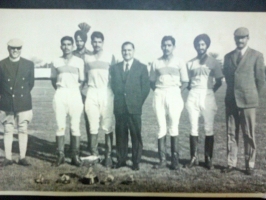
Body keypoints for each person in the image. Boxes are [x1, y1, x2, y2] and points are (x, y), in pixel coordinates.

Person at [222, 27, 265, 175]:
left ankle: (250, 164)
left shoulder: (257, 55)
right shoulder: (228, 56)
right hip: (231, 100)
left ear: (248, 38)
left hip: (248, 101)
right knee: (231, 133)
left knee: (249, 134)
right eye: (237, 38)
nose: (240, 40)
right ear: (234, 39)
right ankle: (231, 163)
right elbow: (227, 77)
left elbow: (260, 80)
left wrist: (252, 96)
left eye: (243, 37)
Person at [150, 36, 189, 170]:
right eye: (164, 45)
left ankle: (175, 161)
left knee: (174, 126)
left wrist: (177, 92)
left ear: (173, 47)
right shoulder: (156, 62)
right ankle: (162, 160)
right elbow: (151, 81)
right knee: (161, 127)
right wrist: (158, 92)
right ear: (161, 46)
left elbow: (185, 81)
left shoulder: (179, 61)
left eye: (169, 45)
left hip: (174, 93)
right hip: (159, 93)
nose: (166, 48)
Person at [110, 42, 150, 171]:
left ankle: (135, 161)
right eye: (124, 50)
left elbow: (146, 88)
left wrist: (138, 102)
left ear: (133, 51)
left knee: (135, 135)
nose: (126, 53)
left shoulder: (141, 67)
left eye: (129, 50)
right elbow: (113, 85)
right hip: (120, 107)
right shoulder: (115, 68)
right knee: (121, 134)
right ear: (121, 52)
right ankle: (121, 160)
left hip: (134, 107)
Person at [185, 34, 223, 170]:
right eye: (198, 44)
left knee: (208, 127)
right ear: (195, 46)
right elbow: (187, 82)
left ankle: (208, 158)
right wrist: (194, 90)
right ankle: (193, 158)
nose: (200, 47)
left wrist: (210, 90)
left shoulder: (213, 62)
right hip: (193, 94)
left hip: (208, 94)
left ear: (207, 45)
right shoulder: (190, 63)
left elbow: (219, 81)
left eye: (203, 44)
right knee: (193, 127)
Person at [83, 31, 116, 168]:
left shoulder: (110, 57)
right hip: (91, 91)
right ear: (91, 43)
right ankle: (94, 154)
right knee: (92, 124)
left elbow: (114, 76)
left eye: (99, 42)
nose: (96, 44)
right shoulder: (86, 58)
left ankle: (108, 155)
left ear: (103, 42)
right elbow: (83, 77)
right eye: (94, 42)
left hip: (105, 91)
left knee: (107, 124)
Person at [0, 39, 34, 167]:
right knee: (8, 130)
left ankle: (22, 157)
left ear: (21, 49)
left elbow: (30, 84)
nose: (15, 50)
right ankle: (8, 158)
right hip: (6, 102)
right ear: (8, 48)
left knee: (23, 129)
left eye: (18, 48)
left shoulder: (29, 64)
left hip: (23, 102)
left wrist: (22, 96)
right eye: (12, 48)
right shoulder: (1, 64)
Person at [51, 36, 84, 167]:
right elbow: (53, 80)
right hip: (60, 93)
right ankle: (60, 155)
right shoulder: (56, 61)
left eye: (69, 44)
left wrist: (73, 89)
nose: (66, 47)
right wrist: (61, 89)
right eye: (64, 44)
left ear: (72, 46)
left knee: (75, 126)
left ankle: (75, 156)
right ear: (61, 46)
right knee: (60, 126)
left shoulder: (79, 61)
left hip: (74, 93)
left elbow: (82, 80)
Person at [73, 22, 93, 153]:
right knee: (74, 119)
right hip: (74, 90)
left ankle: (92, 146)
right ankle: (74, 147)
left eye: (81, 40)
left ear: (85, 41)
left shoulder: (90, 55)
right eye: (77, 40)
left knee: (89, 118)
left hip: (86, 90)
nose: (79, 42)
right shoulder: (72, 54)